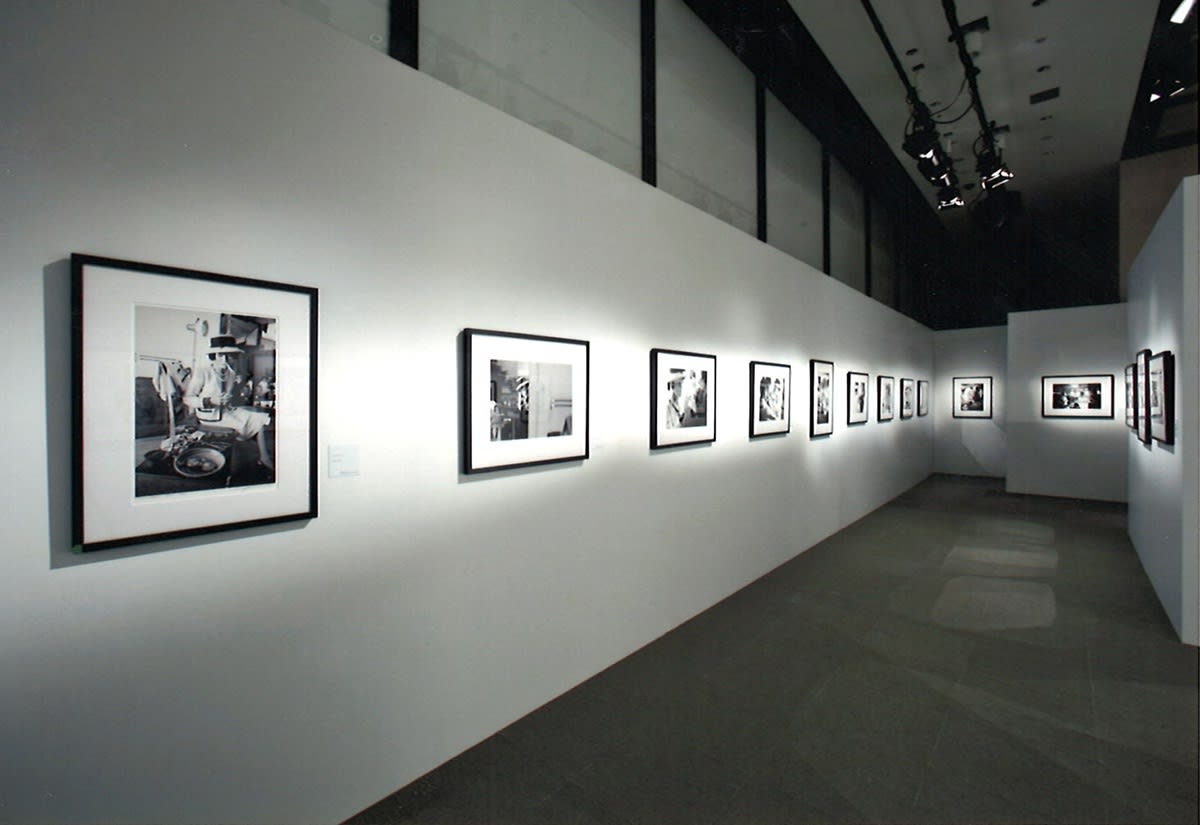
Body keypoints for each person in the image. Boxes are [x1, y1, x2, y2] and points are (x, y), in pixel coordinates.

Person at [183, 335, 273, 469]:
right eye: (223, 355)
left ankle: (263, 457)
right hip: (209, 416)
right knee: (255, 419)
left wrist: (236, 394)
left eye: (230, 355)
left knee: (261, 417)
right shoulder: (203, 371)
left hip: (226, 412)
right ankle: (253, 457)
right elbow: (187, 399)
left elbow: (231, 397)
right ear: (216, 355)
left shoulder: (230, 373)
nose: (227, 359)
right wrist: (210, 400)